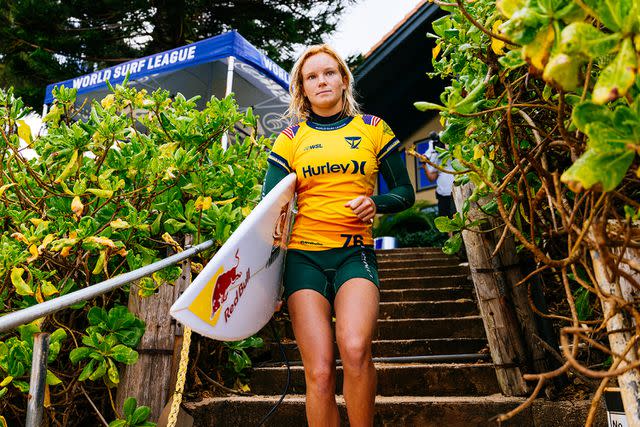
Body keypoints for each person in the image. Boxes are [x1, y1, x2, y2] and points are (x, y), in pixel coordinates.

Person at [261, 44, 414, 426]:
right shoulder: (290, 139)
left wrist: (376, 202)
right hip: (303, 260)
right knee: (320, 372)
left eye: (329, 73)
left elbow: (406, 193)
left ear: (344, 80)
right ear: (303, 89)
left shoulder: (374, 129)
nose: (321, 81)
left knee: (357, 347)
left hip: (354, 255)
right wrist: (265, 284)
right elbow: (270, 214)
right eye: (312, 76)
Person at [422, 131, 455, 218]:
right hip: (443, 196)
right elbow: (432, 177)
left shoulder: (456, 153)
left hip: (456, 194)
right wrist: (424, 164)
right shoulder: (438, 157)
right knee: (446, 223)